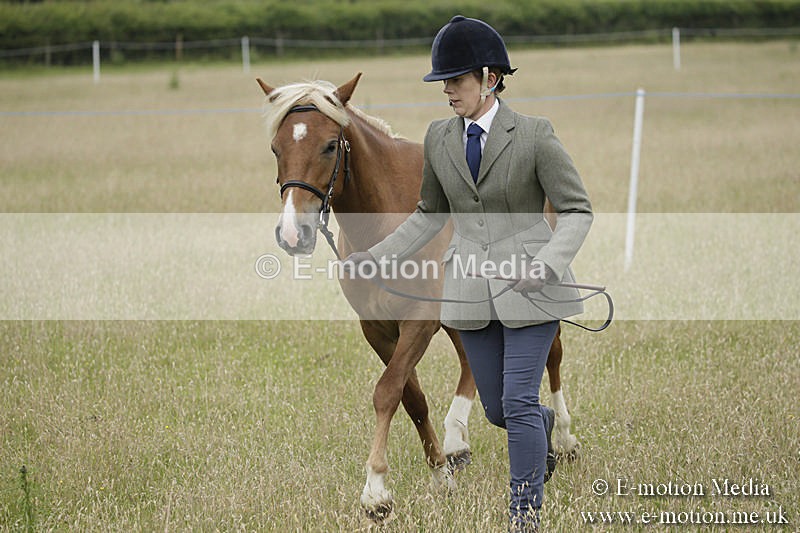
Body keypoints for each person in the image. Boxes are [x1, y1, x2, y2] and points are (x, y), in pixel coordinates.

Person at [344, 15, 592, 531]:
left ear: (490, 79)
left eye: (456, 80)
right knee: (502, 411)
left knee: (519, 400)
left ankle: (524, 515)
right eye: (443, 82)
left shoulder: (535, 135)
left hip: (531, 290)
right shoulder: (439, 139)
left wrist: (546, 263)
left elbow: (576, 210)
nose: (448, 91)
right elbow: (429, 214)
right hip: (470, 295)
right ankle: (540, 426)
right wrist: (377, 257)